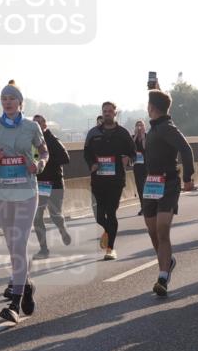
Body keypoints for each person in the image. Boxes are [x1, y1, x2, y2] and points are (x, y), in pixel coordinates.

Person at [0, 81, 48, 323]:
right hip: (2, 193)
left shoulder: (31, 127)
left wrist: (38, 164)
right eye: (3, 98)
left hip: (27, 192)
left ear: (20, 103)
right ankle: (26, 287)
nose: (7, 102)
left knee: (18, 244)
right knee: (12, 246)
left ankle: (14, 303)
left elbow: (44, 152)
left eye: (11, 98)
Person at [142, 90, 195, 296]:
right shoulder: (154, 128)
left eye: (148, 104)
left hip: (168, 183)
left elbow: (186, 149)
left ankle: (163, 276)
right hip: (150, 184)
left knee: (162, 229)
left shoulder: (166, 127)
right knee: (152, 231)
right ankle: (167, 262)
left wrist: (188, 176)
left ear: (151, 107)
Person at [84, 101, 136, 260]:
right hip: (98, 179)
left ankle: (110, 249)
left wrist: (128, 159)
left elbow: (133, 154)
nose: (107, 113)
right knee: (99, 216)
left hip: (116, 180)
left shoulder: (123, 133)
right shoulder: (93, 133)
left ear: (115, 113)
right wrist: (92, 163)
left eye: (109, 111)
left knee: (111, 213)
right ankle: (108, 230)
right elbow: (86, 153)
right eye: (104, 111)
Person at [31, 114, 72, 259]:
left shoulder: (52, 140)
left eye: (38, 124)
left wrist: (46, 160)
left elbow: (65, 158)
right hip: (38, 184)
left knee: (55, 215)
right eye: (33, 124)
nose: (35, 127)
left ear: (44, 125)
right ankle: (44, 249)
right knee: (37, 218)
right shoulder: (31, 142)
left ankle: (62, 228)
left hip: (54, 182)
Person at [132, 119, 147, 215]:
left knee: (146, 187)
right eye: (137, 125)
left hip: (146, 165)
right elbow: (131, 148)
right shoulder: (133, 137)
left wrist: (142, 137)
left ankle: (149, 206)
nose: (139, 127)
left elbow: (145, 147)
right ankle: (143, 207)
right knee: (139, 187)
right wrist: (136, 136)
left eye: (141, 125)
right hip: (137, 165)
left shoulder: (147, 136)